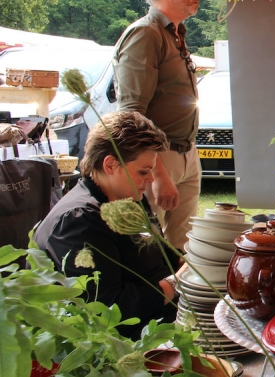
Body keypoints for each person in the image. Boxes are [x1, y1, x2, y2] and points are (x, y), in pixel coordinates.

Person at [34, 111, 180, 339]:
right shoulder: (79, 221)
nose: (151, 179)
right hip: (128, 341)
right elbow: (110, 312)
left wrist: (197, 261)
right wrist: (179, 282)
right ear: (110, 165)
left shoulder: (130, 198)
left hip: (164, 318)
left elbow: (160, 256)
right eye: (143, 171)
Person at [113, 0, 205, 250]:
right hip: (158, 159)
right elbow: (131, 115)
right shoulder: (145, 33)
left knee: (184, 250)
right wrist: (157, 173)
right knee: (150, 252)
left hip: (186, 153)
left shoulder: (174, 33)